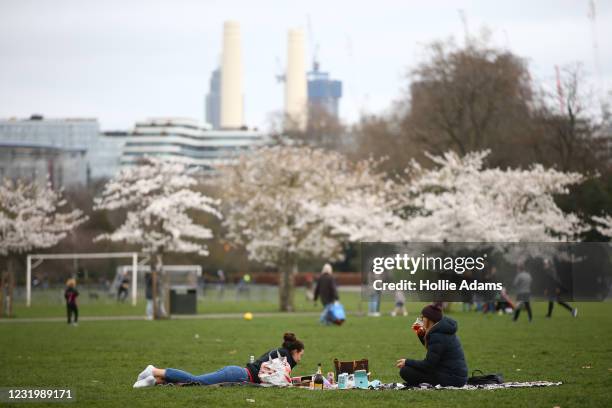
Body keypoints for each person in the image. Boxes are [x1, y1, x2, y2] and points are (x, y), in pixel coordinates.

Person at [133, 332, 304, 388]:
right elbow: (274, 379)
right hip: (237, 375)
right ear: (295, 351)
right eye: (301, 355)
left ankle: (155, 380)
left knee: (193, 384)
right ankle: (154, 370)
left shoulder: (281, 353)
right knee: (196, 381)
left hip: (237, 373)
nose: (300, 359)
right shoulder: (285, 357)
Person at [396, 304, 468, 387]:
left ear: (429, 319)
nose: (421, 320)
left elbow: (428, 365)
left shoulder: (437, 336)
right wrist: (421, 334)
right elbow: (433, 350)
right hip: (454, 375)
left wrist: (407, 362)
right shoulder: (441, 330)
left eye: (423, 317)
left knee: (406, 371)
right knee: (409, 370)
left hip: (452, 379)